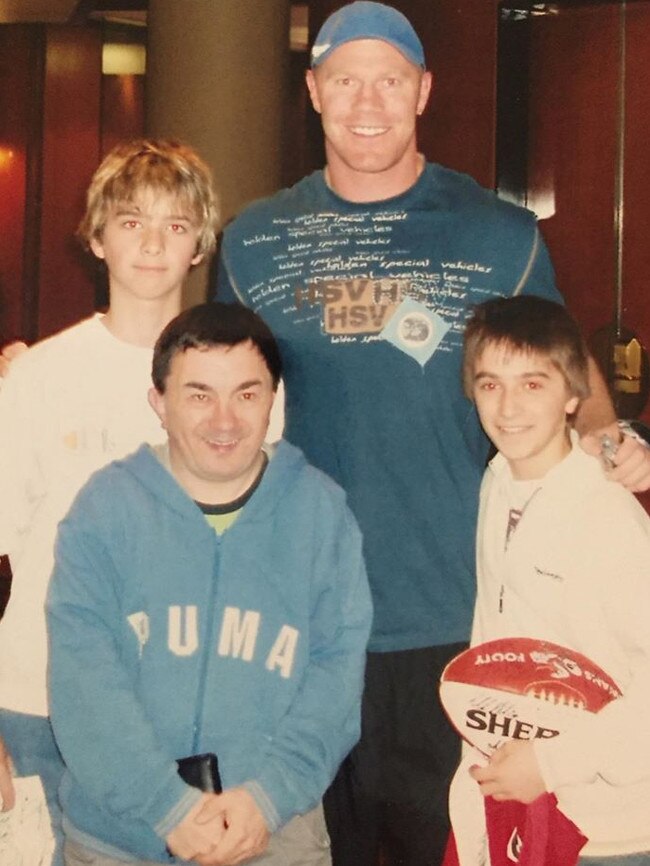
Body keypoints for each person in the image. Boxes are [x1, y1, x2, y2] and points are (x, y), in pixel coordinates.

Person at [215, 3, 650, 864]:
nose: (366, 101)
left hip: (454, 619)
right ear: (313, 91)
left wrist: (607, 439)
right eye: (345, 79)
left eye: (388, 79)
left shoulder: (498, 233)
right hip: (302, 617)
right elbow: (206, 395)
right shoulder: (253, 242)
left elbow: (558, 361)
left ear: (423, 90)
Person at [46, 301, 372, 866]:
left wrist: (268, 799)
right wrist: (166, 807)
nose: (225, 421)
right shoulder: (104, 511)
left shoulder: (322, 514)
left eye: (247, 394)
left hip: (274, 835)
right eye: (200, 394)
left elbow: (336, 679)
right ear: (159, 402)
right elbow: (84, 681)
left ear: (275, 399)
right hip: (120, 838)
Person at [0, 138, 219, 865]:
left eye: (175, 224)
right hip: (38, 706)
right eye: (131, 222)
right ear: (97, 238)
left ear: (199, 244)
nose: (153, 244)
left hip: (176, 714)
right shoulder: (38, 379)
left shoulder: (240, 388)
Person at [448, 294, 650, 866]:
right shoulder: (497, 482)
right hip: (527, 811)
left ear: (573, 396)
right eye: (491, 384)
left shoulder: (604, 512)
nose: (508, 407)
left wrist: (550, 764)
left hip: (612, 829)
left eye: (533, 384)